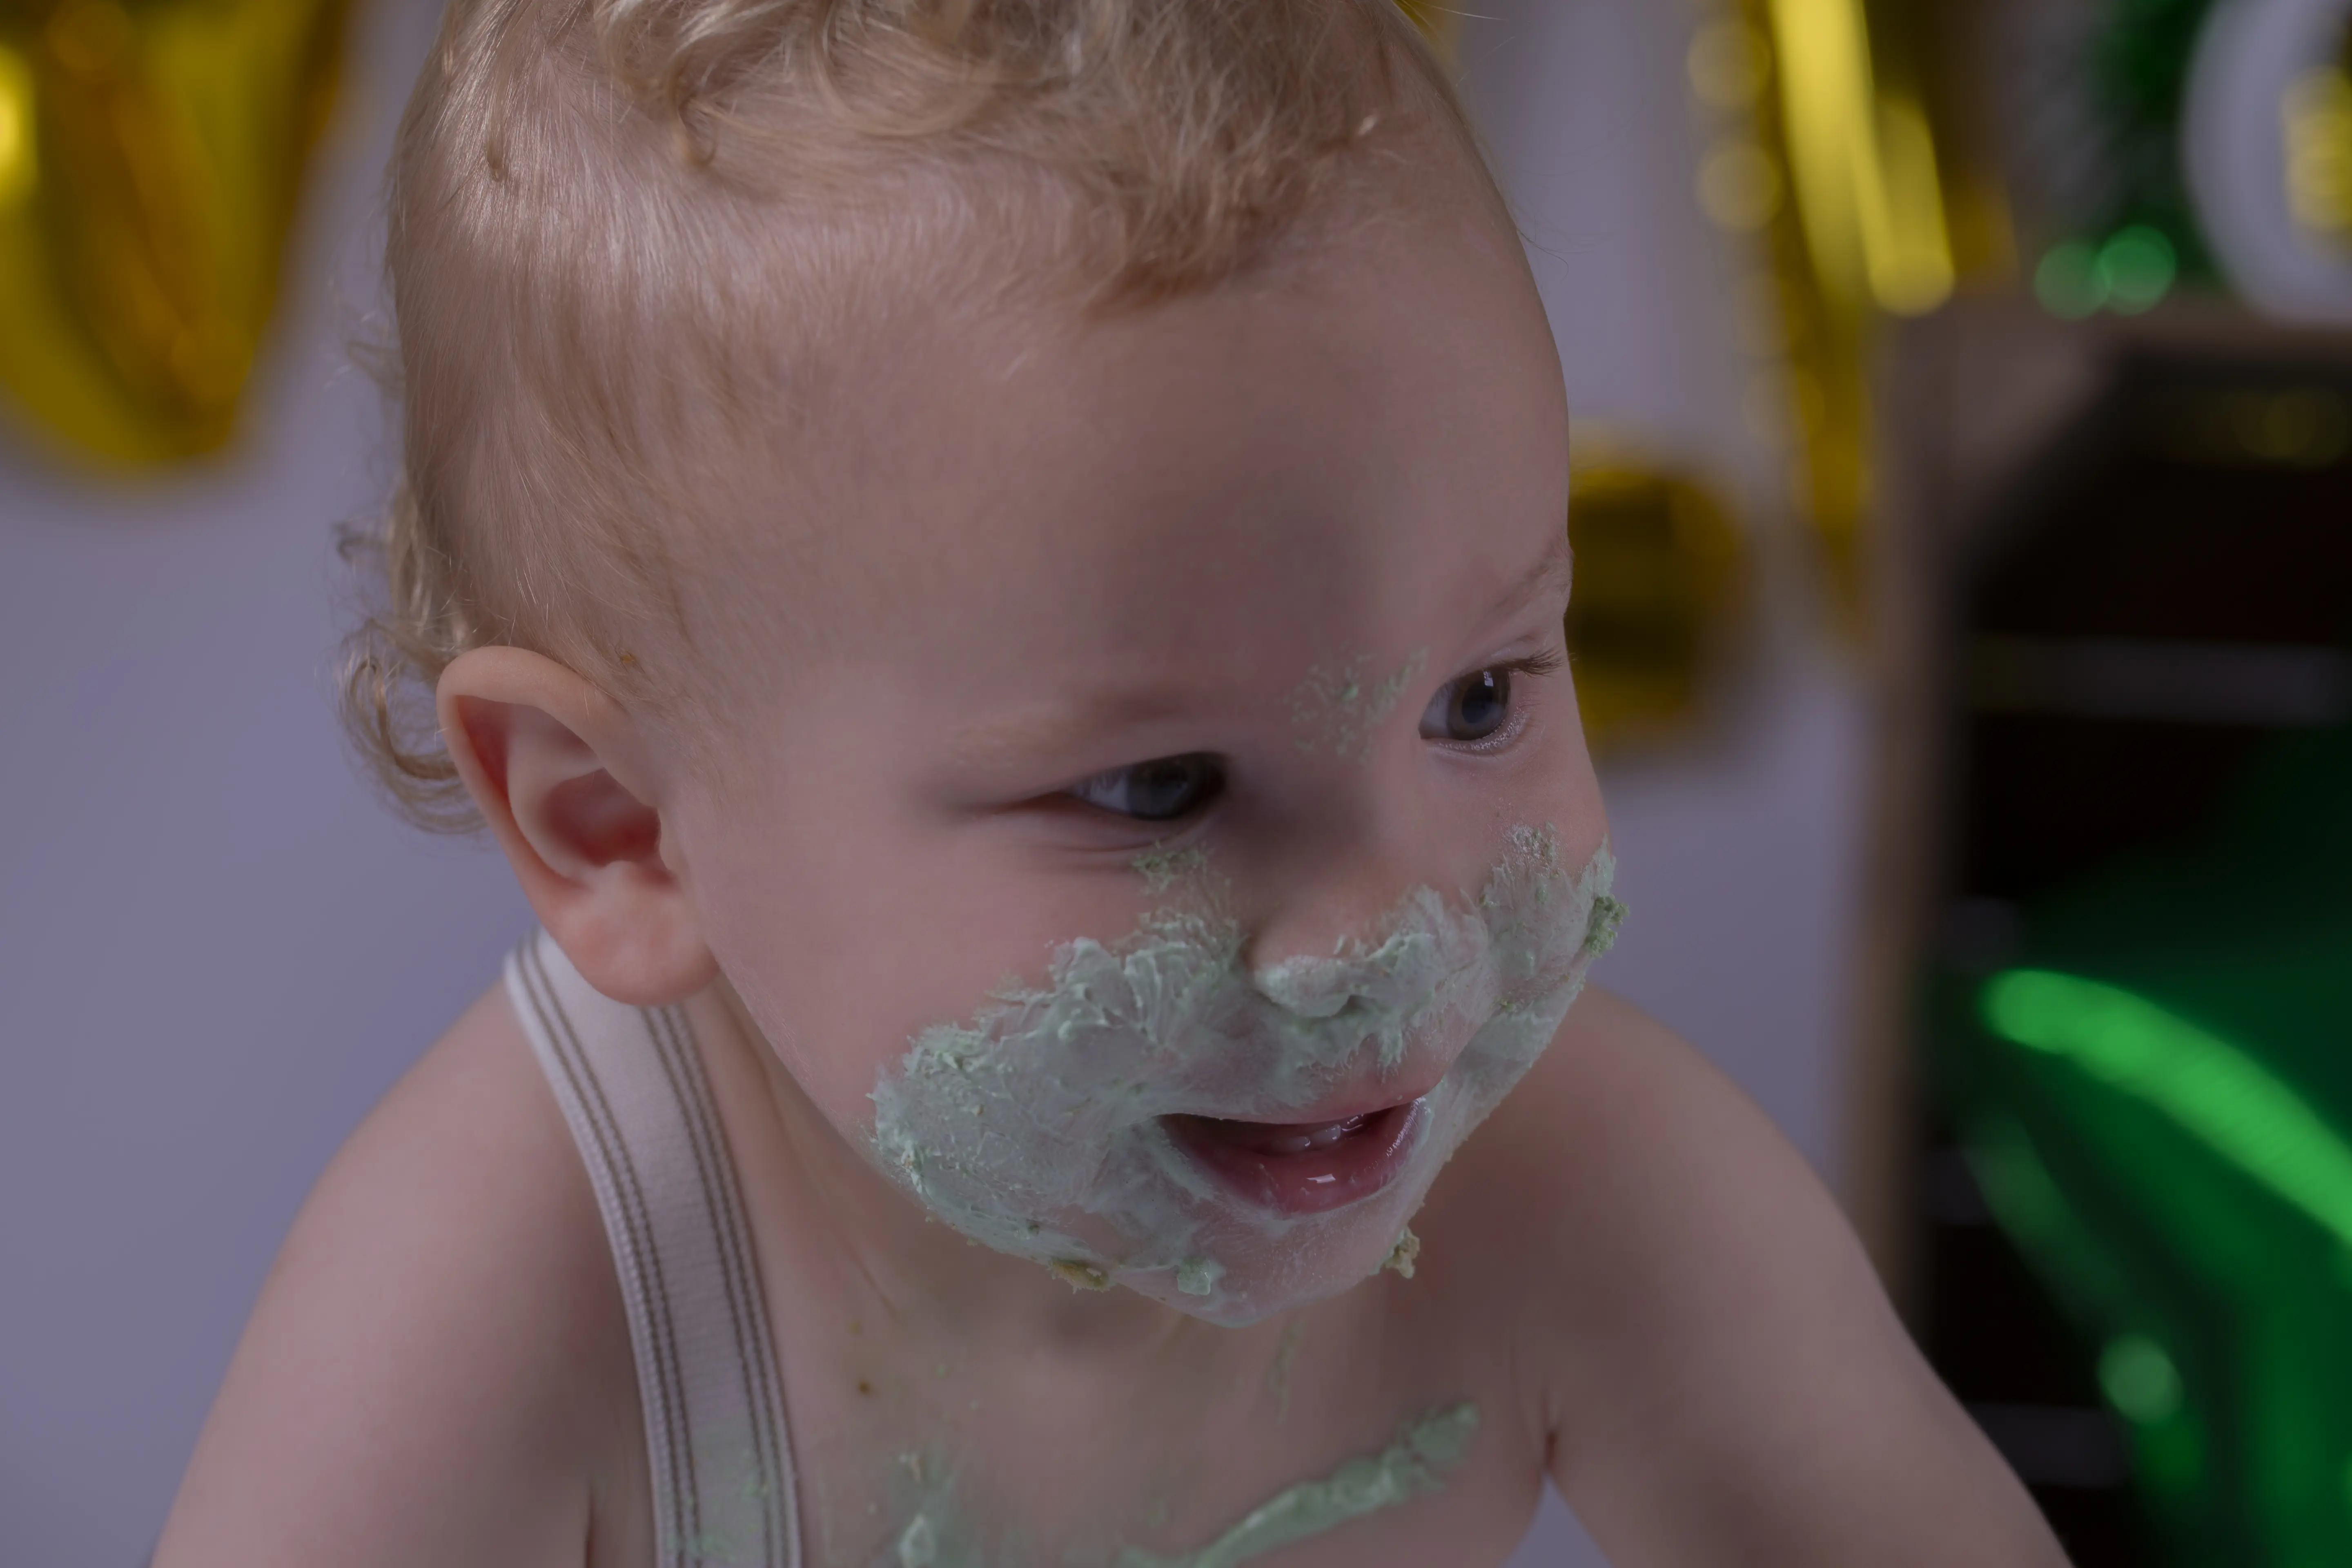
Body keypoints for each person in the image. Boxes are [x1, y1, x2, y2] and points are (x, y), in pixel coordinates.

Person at [154, 2, 2070, 1564]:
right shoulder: (507, 1306)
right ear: (622, 829)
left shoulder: (1591, 1189)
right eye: (1161, 789)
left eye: (1481, 697)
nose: (1391, 941)